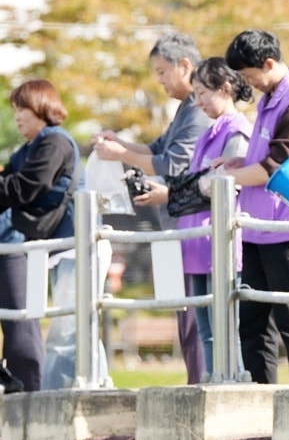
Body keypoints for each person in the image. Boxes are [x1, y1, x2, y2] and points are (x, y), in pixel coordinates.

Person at [93, 32, 212, 383]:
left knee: (194, 314)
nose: (159, 80)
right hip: (178, 222)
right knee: (185, 312)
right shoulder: (186, 110)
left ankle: (201, 383)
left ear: (185, 66)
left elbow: (172, 163)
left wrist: (121, 154)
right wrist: (121, 144)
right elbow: (156, 147)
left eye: (162, 71)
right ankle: (196, 381)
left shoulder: (197, 111)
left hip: (192, 223)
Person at [214, 30, 289, 385]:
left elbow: (274, 167)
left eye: (248, 76)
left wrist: (225, 182)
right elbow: (260, 158)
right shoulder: (271, 96)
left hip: (285, 228)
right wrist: (236, 165)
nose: (248, 84)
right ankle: (262, 400)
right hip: (257, 227)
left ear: (269, 63)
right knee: (254, 322)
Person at [135, 58, 252, 378]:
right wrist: (188, 186)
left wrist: (175, 191)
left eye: (203, 93)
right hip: (195, 237)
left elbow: (224, 183)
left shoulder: (238, 130)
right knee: (206, 329)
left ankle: (231, 383)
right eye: (196, 94)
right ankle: (212, 383)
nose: (198, 101)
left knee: (225, 326)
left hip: (217, 238)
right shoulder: (211, 130)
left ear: (225, 89)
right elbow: (198, 179)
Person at [0, 80, 83, 391]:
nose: (17, 117)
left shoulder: (54, 143)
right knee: (66, 325)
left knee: (68, 327)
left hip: (72, 244)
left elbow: (24, 188)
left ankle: (53, 397)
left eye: (22, 109)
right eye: (15, 110)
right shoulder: (28, 149)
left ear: (40, 107)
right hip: (53, 245)